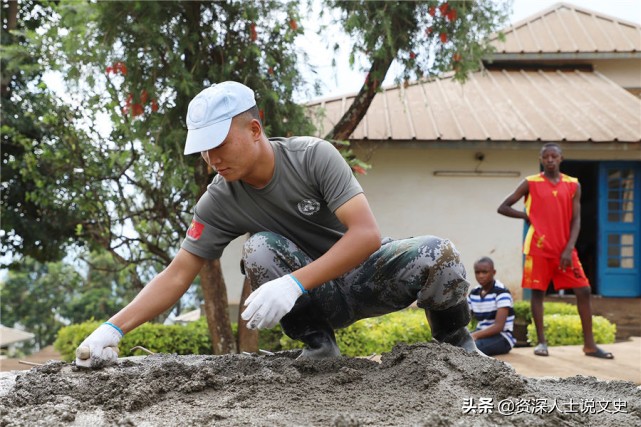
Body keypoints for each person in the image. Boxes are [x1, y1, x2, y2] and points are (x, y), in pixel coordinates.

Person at [75, 81, 479, 368]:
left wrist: (293, 283)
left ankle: (457, 346)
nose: (212, 158)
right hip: (315, 301)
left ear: (254, 129)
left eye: (219, 143)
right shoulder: (218, 200)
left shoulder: (312, 157)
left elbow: (366, 234)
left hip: (367, 276)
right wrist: (112, 329)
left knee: (438, 252)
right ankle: (320, 349)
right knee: (260, 247)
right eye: (203, 149)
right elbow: (178, 273)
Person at [497, 143, 613, 359]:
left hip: (564, 250)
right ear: (541, 159)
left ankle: (589, 345)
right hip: (537, 249)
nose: (550, 160)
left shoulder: (572, 184)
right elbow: (503, 207)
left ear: (561, 158)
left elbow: (576, 219)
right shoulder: (530, 183)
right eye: (546, 157)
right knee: (538, 294)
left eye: (554, 156)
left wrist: (569, 248)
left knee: (584, 290)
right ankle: (541, 343)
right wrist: (526, 216)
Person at [467, 257, 515, 356]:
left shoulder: (501, 292)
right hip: (481, 334)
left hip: (502, 337)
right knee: (457, 344)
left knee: (472, 349)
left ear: (493, 272)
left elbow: (499, 326)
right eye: (477, 272)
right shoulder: (474, 293)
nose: (480, 276)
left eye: (485, 272)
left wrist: (473, 335)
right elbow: (465, 318)